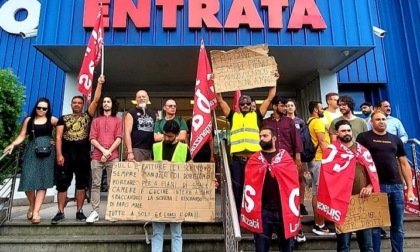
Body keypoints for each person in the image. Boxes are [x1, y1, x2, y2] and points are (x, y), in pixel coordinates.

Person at [356, 110, 415, 252]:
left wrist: (410, 190)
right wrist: (367, 184)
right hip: (376, 187)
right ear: (371, 121)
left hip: (396, 186)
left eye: (383, 119)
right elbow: (358, 164)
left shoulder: (395, 139)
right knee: (375, 227)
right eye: (378, 119)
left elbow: (404, 164)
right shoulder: (364, 138)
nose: (381, 122)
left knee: (398, 227)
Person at [318, 120, 380, 252]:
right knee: (343, 246)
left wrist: (369, 187)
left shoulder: (363, 151)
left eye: (348, 130)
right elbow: (327, 179)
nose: (346, 133)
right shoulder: (331, 152)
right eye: (343, 131)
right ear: (337, 133)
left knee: (367, 246)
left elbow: (372, 174)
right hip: (342, 204)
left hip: (362, 201)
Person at [216, 83, 277, 217]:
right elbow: (220, 100)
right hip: (237, 160)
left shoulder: (256, 115)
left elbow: (270, 98)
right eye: (242, 104)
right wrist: (217, 83)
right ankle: (239, 217)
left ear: (251, 105)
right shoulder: (233, 116)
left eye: (247, 104)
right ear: (238, 105)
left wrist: (274, 81)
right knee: (237, 189)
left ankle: (257, 216)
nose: (245, 106)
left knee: (257, 188)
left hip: (253, 160)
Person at [52, 76, 104, 224]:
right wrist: (59, 154)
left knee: (81, 184)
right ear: (71, 104)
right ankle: (60, 212)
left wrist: (99, 84)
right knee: (63, 183)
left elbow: (96, 100)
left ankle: (79, 211)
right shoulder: (63, 118)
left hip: (82, 155)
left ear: (82, 105)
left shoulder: (87, 116)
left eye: (79, 103)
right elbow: (58, 137)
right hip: (66, 155)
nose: (76, 105)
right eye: (74, 103)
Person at [240, 126, 300, 252]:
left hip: (284, 210)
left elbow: (293, 182)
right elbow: (248, 184)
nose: (262, 139)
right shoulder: (254, 159)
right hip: (263, 210)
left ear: (274, 138)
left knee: (287, 248)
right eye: (260, 136)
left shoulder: (285, 158)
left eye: (265, 136)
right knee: (261, 248)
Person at [4, 98, 58, 224]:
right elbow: (22, 135)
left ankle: (36, 212)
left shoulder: (53, 119)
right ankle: (33, 206)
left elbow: (63, 131)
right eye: (39, 107)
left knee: (43, 182)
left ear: (48, 109)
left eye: (44, 108)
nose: (41, 110)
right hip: (32, 151)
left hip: (48, 153)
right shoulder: (29, 120)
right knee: (28, 179)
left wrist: (57, 141)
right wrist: (12, 144)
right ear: (36, 107)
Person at [263, 97, 306, 242]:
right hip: (271, 162)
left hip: (288, 161)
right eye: (282, 105)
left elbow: (297, 140)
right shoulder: (266, 123)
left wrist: (298, 158)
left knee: (290, 193)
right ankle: (275, 229)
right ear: (275, 107)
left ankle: (296, 228)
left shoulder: (290, 122)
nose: (285, 108)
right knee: (274, 193)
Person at [151, 120, 191, 252]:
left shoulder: (184, 149)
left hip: (177, 195)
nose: (166, 138)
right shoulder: (155, 147)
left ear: (177, 134)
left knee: (176, 231)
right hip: (158, 194)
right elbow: (149, 168)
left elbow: (193, 169)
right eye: (165, 135)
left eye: (170, 136)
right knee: (157, 231)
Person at [86, 96, 122, 223]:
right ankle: (95, 211)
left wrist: (108, 152)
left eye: (109, 102)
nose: (106, 104)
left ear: (113, 104)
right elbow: (92, 138)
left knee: (112, 185)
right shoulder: (96, 120)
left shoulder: (118, 120)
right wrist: (103, 151)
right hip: (96, 156)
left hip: (113, 157)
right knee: (96, 184)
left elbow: (118, 138)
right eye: (104, 102)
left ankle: (111, 211)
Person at [307, 101, 334, 236]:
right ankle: (320, 224)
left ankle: (319, 223)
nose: (322, 109)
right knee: (320, 192)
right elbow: (322, 141)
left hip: (314, 160)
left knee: (316, 193)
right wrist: (330, 158)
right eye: (320, 107)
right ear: (315, 110)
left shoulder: (309, 121)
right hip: (319, 159)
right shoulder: (317, 122)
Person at [124, 90, 156, 161]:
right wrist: (130, 152)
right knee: (138, 172)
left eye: (143, 96)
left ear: (147, 98)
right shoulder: (131, 113)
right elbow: (127, 133)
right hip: (136, 149)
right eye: (139, 97)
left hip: (151, 150)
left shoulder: (153, 113)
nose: (141, 98)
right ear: (136, 99)